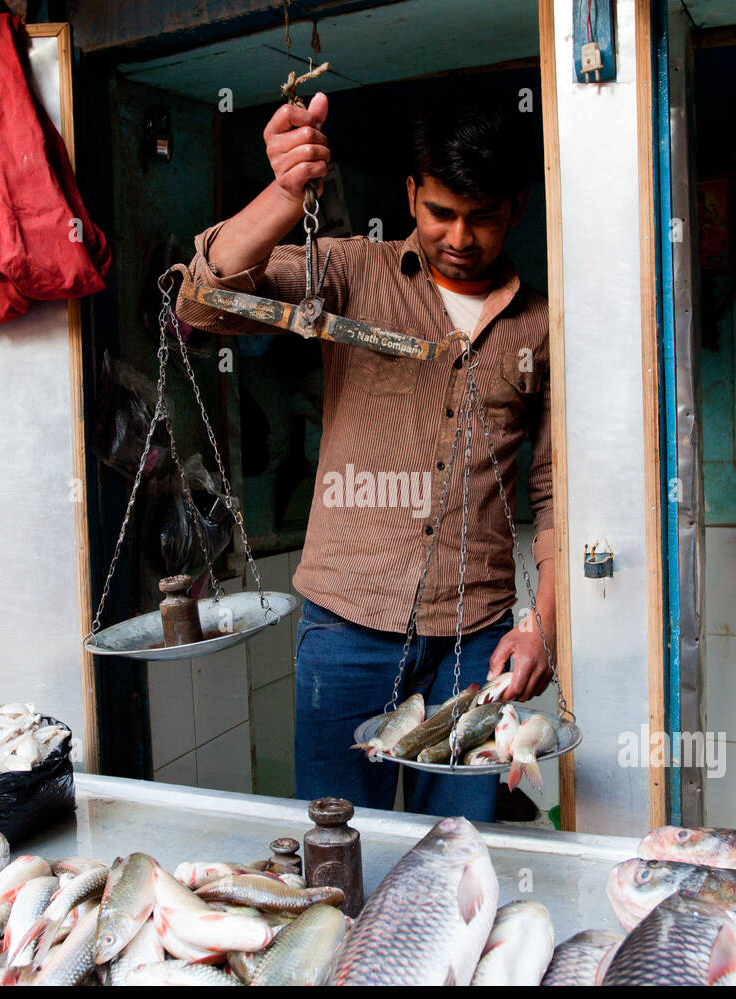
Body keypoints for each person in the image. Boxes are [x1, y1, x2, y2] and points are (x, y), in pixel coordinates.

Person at [175, 88, 554, 823]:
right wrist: (286, 192)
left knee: (460, 842)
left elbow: (555, 493)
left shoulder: (538, 325)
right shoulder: (352, 274)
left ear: (518, 206)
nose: (460, 237)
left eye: (482, 216)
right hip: (346, 629)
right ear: (412, 194)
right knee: (338, 838)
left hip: (474, 640)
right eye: (440, 212)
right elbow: (202, 301)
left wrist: (542, 624)